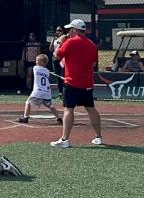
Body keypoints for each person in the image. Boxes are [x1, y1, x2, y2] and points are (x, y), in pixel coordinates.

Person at [51, 19, 103, 148]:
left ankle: (65, 139)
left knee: (68, 109)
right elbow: (94, 64)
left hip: (72, 82)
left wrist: (61, 42)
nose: (68, 32)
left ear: (74, 29)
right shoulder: (92, 45)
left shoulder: (70, 42)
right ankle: (99, 137)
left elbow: (57, 55)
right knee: (91, 108)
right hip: (87, 83)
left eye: (70, 29)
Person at [18, 53, 59, 124]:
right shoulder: (47, 71)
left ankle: (25, 118)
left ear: (42, 62)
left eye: (37, 61)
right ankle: (59, 118)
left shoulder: (35, 68)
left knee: (28, 103)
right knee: (50, 106)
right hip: (47, 92)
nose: (35, 62)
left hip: (38, 91)